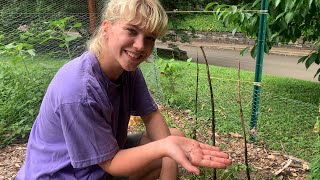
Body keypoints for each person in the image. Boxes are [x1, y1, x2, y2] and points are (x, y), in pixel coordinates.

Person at [16, 0, 232, 179]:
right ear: (106, 28)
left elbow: (151, 114)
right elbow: (112, 163)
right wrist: (167, 148)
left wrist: (169, 152)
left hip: (98, 163)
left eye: (149, 38)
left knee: (172, 137)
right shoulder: (79, 90)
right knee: (166, 146)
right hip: (63, 174)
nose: (140, 46)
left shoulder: (126, 70)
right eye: (131, 31)